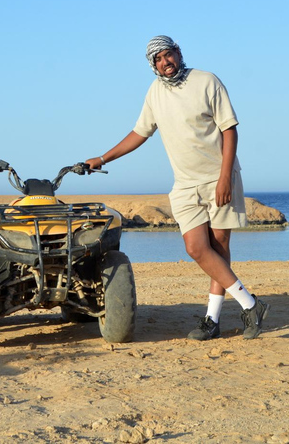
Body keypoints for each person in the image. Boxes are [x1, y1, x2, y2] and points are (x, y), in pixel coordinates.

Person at [86, 35, 269, 340]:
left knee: (220, 249)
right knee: (197, 248)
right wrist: (104, 158)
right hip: (185, 185)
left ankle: (212, 320)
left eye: (167, 55)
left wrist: (225, 178)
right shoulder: (155, 93)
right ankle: (251, 304)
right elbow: (139, 132)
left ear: (178, 53)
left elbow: (230, 130)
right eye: (157, 59)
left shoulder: (207, 81)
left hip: (217, 177)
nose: (164, 63)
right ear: (152, 65)